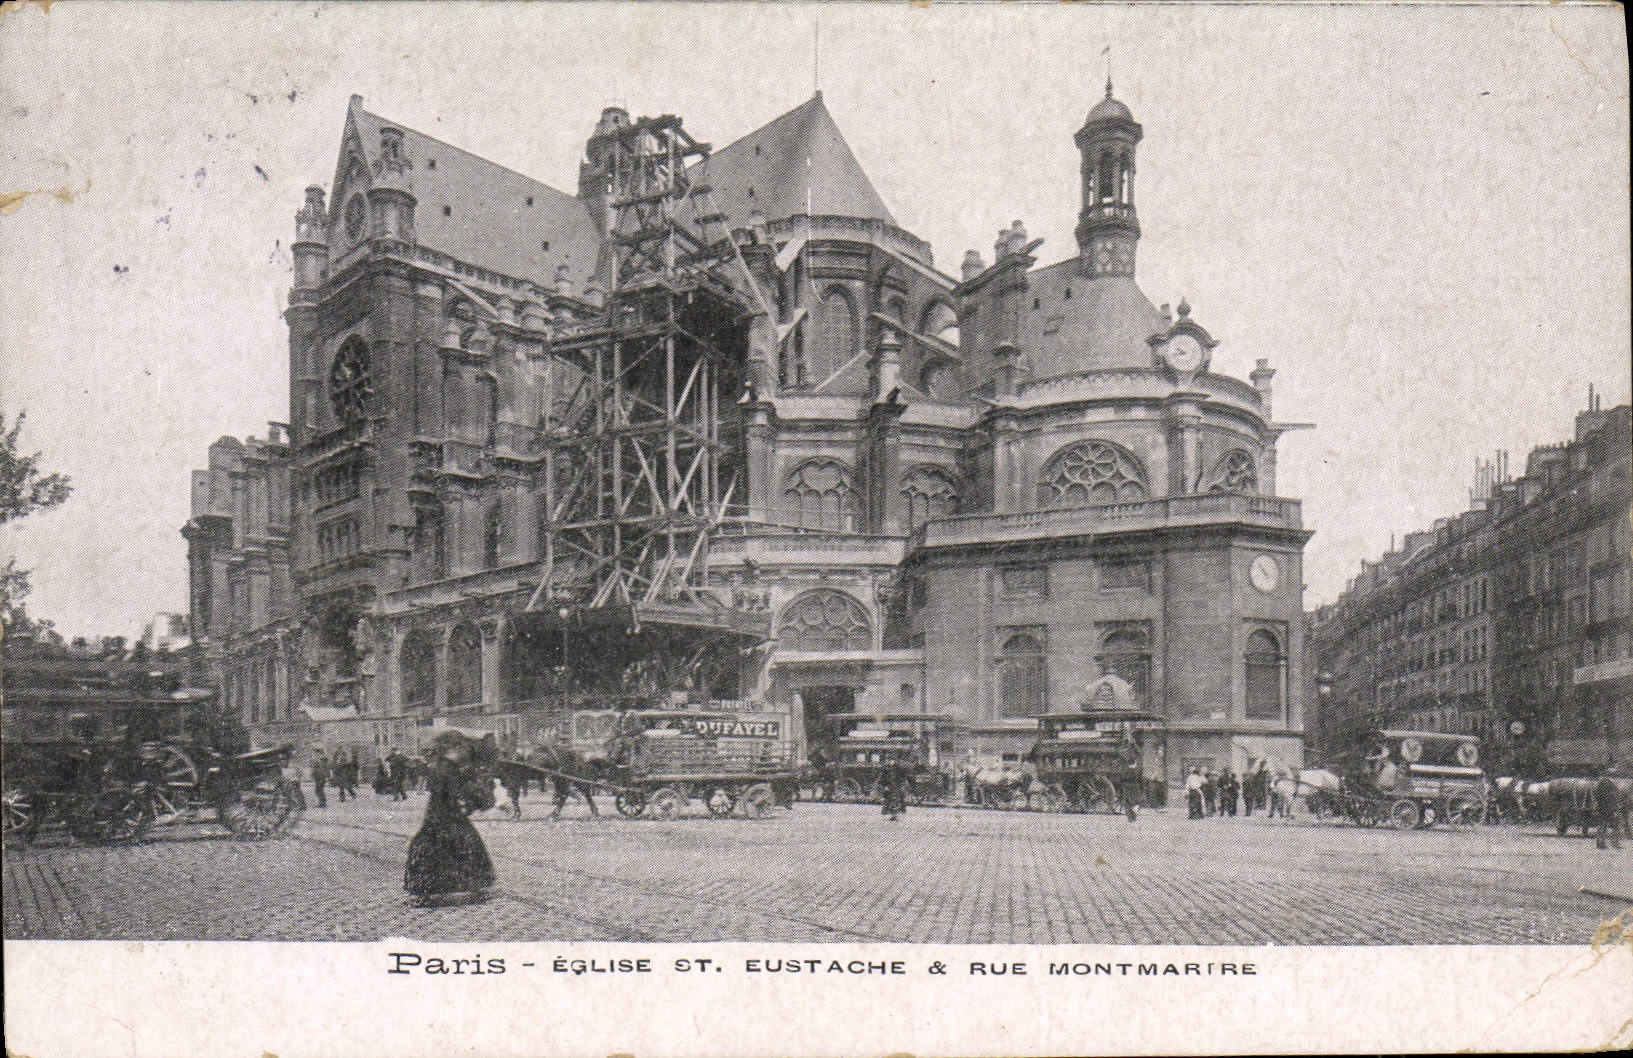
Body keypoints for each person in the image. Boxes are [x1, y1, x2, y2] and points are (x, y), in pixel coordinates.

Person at [404, 733, 497, 907]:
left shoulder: (442, 765)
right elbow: (454, 790)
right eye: (460, 748)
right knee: (464, 845)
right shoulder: (448, 766)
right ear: (452, 749)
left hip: (437, 812)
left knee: (435, 847)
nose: (463, 752)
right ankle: (471, 885)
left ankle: (427, 890)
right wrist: (470, 801)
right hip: (448, 812)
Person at [1596, 763, 1626, 850]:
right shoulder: (1608, 783)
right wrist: (1615, 807)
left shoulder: (1602, 782)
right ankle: (1614, 843)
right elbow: (1610, 797)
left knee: (1603, 825)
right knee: (1615, 825)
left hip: (1604, 808)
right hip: (1609, 808)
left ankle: (1601, 843)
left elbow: (1599, 796)